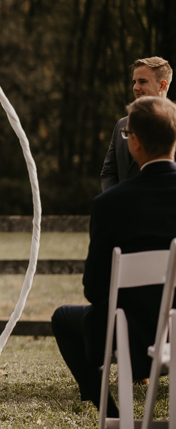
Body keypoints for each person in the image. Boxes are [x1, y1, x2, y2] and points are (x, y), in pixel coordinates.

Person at [52, 96, 176, 417]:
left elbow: (94, 290)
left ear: (135, 143)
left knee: (63, 318)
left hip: (132, 334)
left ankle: (112, 414)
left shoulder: (110, 204)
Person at [100, 57, 172, 191]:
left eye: (142, 82)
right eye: (134, 82)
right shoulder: (122, 125)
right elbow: (109, 173)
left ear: (162, 85)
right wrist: (114, 201)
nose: (135, 87)